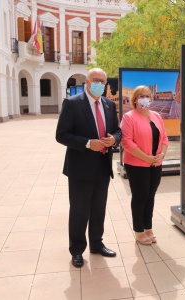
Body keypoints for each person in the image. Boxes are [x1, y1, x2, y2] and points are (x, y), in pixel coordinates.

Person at [56, 68, 121, 268]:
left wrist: (114, 140)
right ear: (86, 82)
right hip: (80, 168)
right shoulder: (72, 104)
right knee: (79, 211)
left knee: (98, 209)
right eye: (95, 80)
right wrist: (87, 143)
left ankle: (96, 244)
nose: (100, 84)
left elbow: (118, 131)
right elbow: (61, 135)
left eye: (102, 81)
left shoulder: (109, 105)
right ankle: (77, 250)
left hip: (102, 166)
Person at [121, 85, 168, 245]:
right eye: (142, 96)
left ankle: (148, 227)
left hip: (156, 163)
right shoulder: (129, 117)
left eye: (148, 95)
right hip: (137, 164)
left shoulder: (156, 115)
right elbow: (126, 141)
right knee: (140, 196)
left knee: (151, 196)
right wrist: (147, 158)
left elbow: (164, 138)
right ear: (135, 99)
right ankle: (139, 230)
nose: (146, 99)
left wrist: (161, 154)